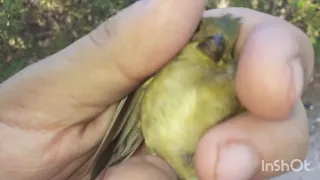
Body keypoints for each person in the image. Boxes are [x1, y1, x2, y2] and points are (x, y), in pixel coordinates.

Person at [0, 0, 315, 180]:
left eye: (228, 51)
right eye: (203, 35)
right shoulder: (159, 66)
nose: (216, 45)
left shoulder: (231, 86)